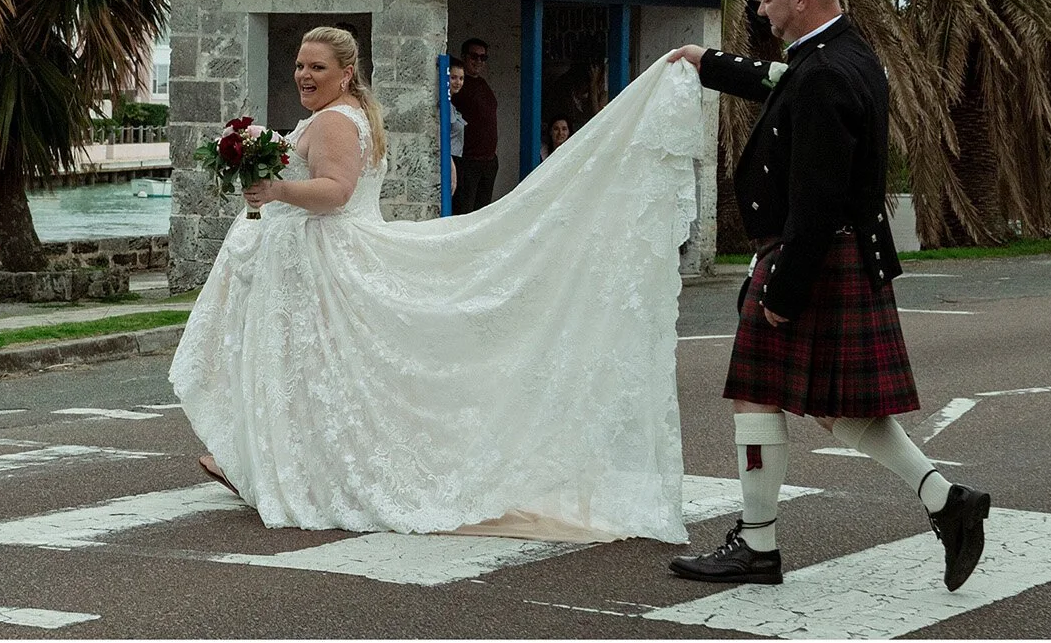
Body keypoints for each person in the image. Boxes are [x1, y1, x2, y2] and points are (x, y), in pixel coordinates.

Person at [170, 26, 713, 539]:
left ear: (347, 71)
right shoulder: (353, 112)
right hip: (321, 257)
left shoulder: (335, 120)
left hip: (322, 260)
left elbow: (335, 193)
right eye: (299, 65)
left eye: (317, 66)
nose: (303, 75)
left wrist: (276, 190)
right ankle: (259, 457)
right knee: (314, 370)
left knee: (309, 366)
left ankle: (282, 464)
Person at [662, 0, 993, 592]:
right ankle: (946, 501)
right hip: (842, 253)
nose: (760, 11)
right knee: (834, 406)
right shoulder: (843, 56)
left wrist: (783, 290)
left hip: (811, 254)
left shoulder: (823, 75)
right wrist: (709, 65)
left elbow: (817, 195)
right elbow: (779, 84)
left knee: (759, 394)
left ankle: (758, 548)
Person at [449, 37, 498, 214]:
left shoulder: (482, 83)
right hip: (468, 162)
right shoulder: (458, 85)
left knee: (481, 214)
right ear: (464, 56)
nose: (478, 61)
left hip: (488, 161)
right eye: (474, 56)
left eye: (483, 58)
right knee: (464, 214)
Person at [446, 59, 469, 199]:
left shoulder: (451, 105)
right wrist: (451, 166)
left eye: (461, 78)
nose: (458, 82)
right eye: (453, 77)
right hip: (451, 160)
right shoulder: (445, 106)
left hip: (457, 160)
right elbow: (442, 136)